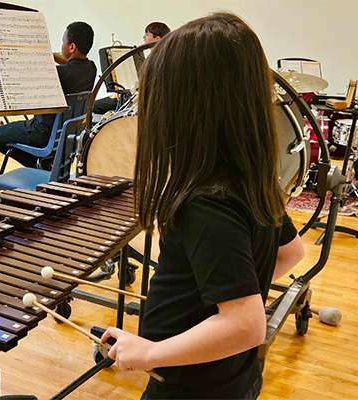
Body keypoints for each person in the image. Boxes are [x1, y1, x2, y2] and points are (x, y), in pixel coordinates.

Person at [100, 13, 305, 400]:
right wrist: (214, 306)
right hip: (232, 379)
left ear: (186, 112)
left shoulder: (206, 204)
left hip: (189, 388)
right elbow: (291, 252)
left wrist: (151, 352)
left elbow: (246, 326)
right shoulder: (251, 180)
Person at [0, 21, 96, 168]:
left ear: (71, 47)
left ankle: (39, 165)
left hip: (41, 133)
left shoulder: (57, 75)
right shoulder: (91, 69)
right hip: (66, 135)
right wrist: (50, 55)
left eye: (63, 41)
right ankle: (43, 164)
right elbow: (71, 63)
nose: (61, 45)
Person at [92, 22, 170, 115]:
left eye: (147, 34)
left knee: (94, 105)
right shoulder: (159, 56)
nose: (144, 37)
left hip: (144, 100)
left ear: (157, 39)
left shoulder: (159, 59)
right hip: (139, 96)